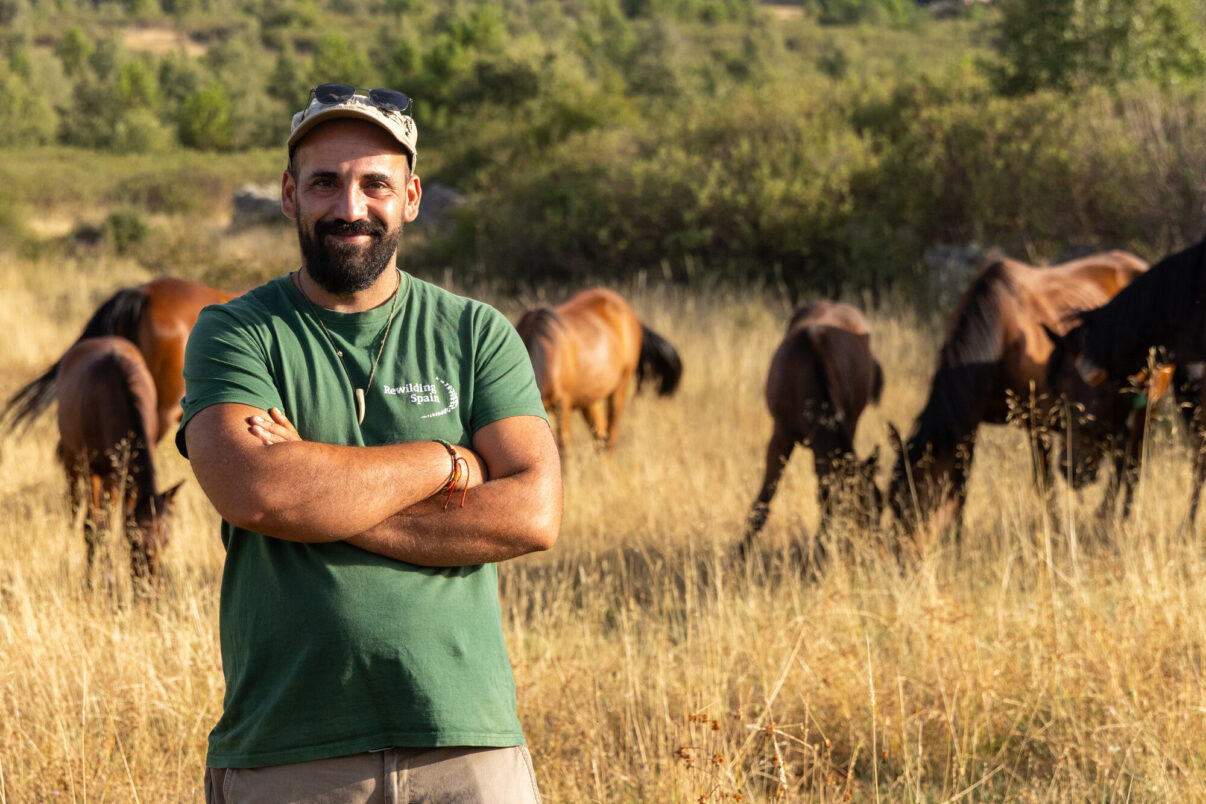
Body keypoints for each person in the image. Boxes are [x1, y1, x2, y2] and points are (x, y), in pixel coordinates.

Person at [178, 83, 562, 803]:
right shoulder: (235, 332)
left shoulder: (476, 333)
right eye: (325, 182)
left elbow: (532, 513)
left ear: (411, 197)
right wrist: (444, 461)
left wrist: (318, 499)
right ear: (290, 195)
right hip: (290, 748)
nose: (349, 208)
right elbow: (257, 492)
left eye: (374, 184)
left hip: (464, 740)